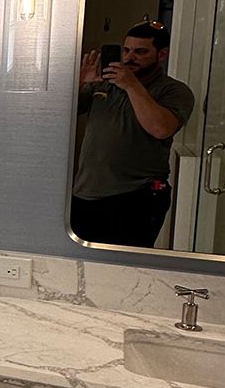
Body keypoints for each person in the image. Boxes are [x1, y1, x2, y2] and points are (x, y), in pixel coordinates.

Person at [71, 20, 195, 248]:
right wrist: (77, 83)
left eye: (140, 52)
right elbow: (58, 117)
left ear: (162, 54)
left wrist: (131, 85)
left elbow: (161, 128)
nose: (130, 57)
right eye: (126, 50)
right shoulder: (104, 83)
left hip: (136, 196)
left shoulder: (173, 90)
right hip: (86, 192)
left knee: (124, 270)